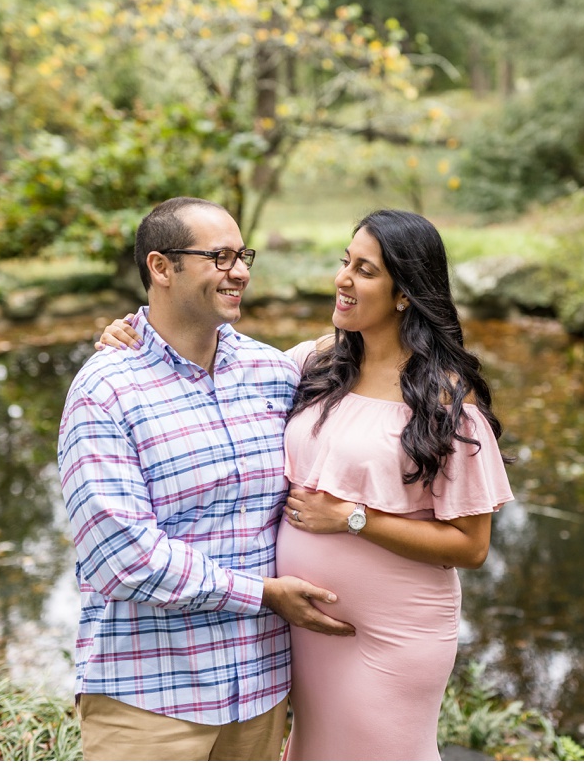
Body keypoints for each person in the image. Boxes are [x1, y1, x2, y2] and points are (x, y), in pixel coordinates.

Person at [99, 208, 514, 761]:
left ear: (404, 294)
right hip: (303, 632)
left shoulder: (443, 401)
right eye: (346, 261)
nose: (343, 278)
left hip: (393, 636)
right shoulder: (317, 363)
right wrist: (134, 333)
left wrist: (353, 518)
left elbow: (472, 545)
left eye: (366, 270)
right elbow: (217, 362)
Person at [58, 196, 354, 763]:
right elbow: (122, 559)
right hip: (149, 700)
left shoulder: (272, 373)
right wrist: (264, 595)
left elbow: (381, 349)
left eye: (243, 255)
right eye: (219, 257)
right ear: (160, 268)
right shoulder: (105, 391)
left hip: (261, 694)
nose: (239, 270)